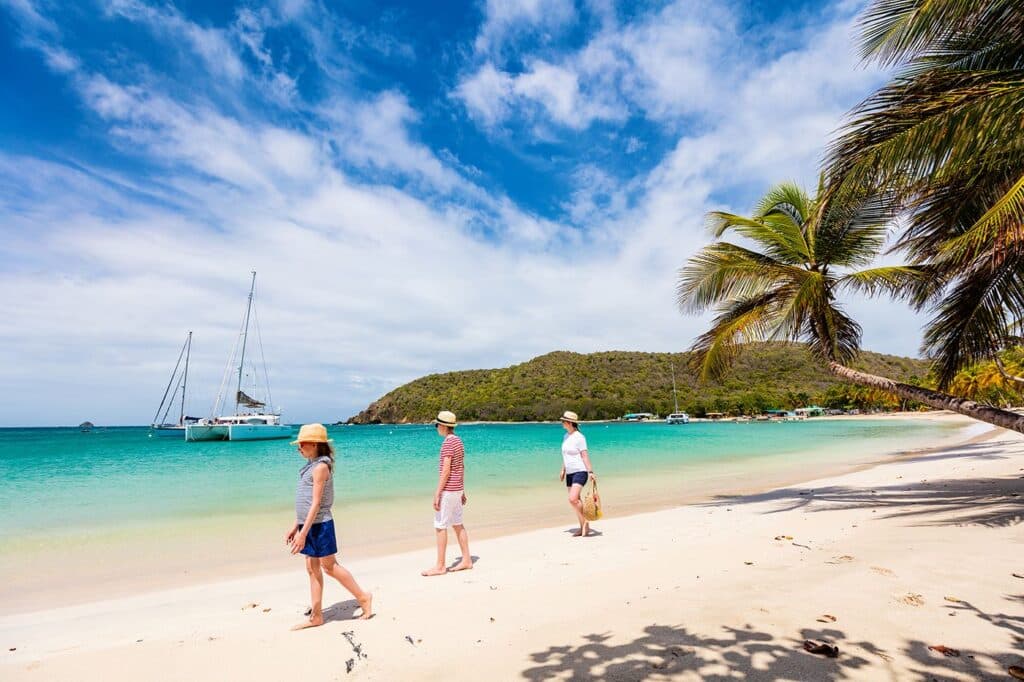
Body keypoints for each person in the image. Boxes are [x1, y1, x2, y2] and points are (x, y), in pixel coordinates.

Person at [287, 423, 372, 629]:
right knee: (311, 567)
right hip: (308, 524)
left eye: (302, 445)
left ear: (315, 444)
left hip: (320, 525)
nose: (299, 448)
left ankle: (363, 598)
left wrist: (303, 533)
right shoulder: (311, 465)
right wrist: (295, 526)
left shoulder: (321, 467)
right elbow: (305, 502)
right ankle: (317, 615)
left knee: (329, 566)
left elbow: (316, 503)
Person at [421, 410, 473, 576]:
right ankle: (466, 559)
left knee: (440, 526)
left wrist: (437, 492)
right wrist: (462, 490)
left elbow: (446, 470)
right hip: (457, 489)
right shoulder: (458, 441)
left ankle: (440, 565)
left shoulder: (448, 443)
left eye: (437, 425)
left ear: (443, 426)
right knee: (457, 523)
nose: (436, 428)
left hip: (449, 489)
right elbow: (462, 467)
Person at [558, 410, 597, 537]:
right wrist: (563, 469)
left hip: (580, 471)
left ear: (569, 423)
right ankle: (582, 526)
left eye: (563, 421)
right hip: (569, 472)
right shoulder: (565, 436)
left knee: (572, 499)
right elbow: (565, 455)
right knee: (577, 500)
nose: (561, 423)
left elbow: (584, 456)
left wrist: (590, 471)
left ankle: (585, 522)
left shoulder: (579, 437)